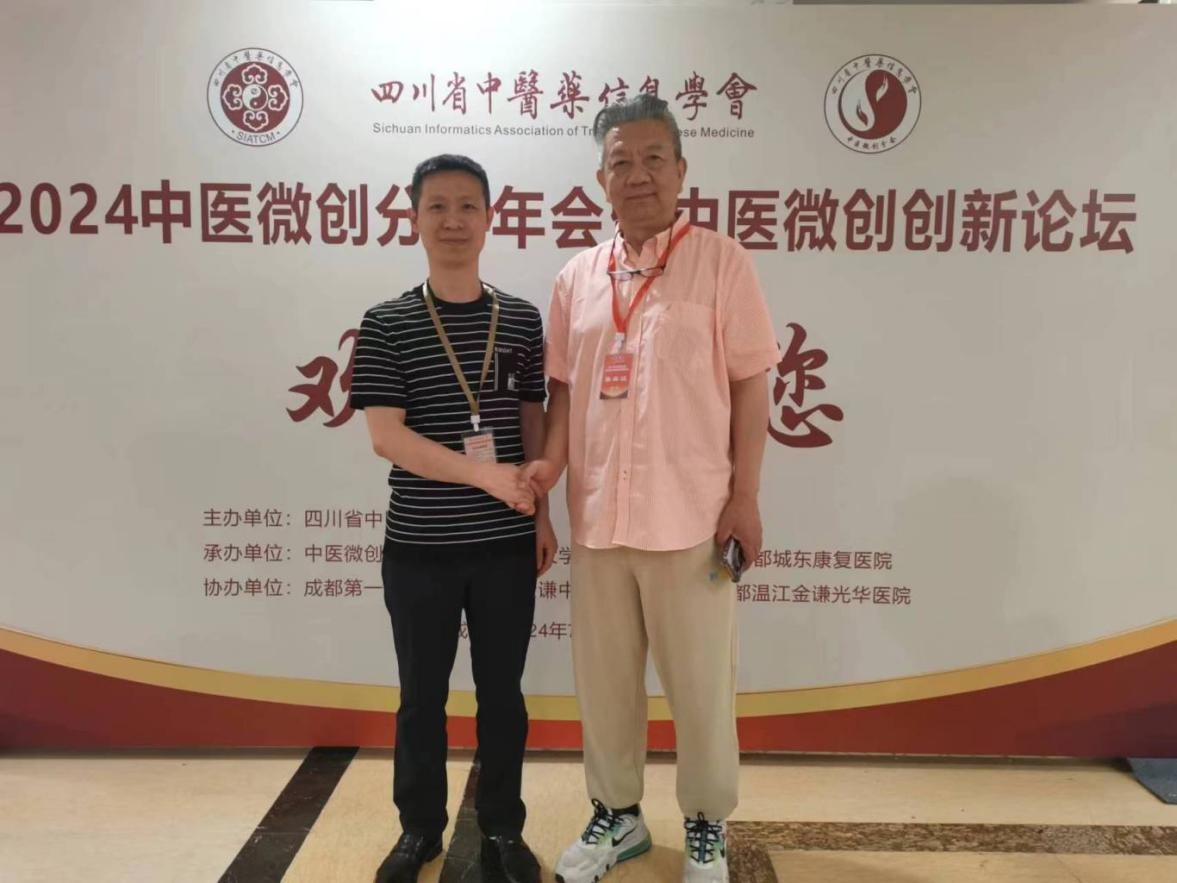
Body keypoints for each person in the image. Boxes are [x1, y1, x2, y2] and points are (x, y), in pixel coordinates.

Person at [524, 95, 780, 883]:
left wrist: (744, 496)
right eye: (620, 162)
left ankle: (704, 821)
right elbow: (561, 396)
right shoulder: (576, 277)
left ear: (680, 170)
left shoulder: (721, 263)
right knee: (604, 687)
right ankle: (617, 813)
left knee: (700, 687)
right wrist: (544, 493)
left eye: (652, 159)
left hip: (691, 519)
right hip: (599, 519)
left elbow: (751, 386)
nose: (637, 175)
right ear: (600, 178)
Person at [349, 153, 555, 883]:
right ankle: (419, 830)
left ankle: (502, 827)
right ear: (413, 219)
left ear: (491, 218)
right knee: (421, 699)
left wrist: (540, 514)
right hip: (420, 546)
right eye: (437, 206)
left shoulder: (521, 319)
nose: (453, 220)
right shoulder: (387, 323)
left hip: (505, 545)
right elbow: (387, 436)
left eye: (468, 205)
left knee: (503, 697)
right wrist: (484, 475)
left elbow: (532, 420)